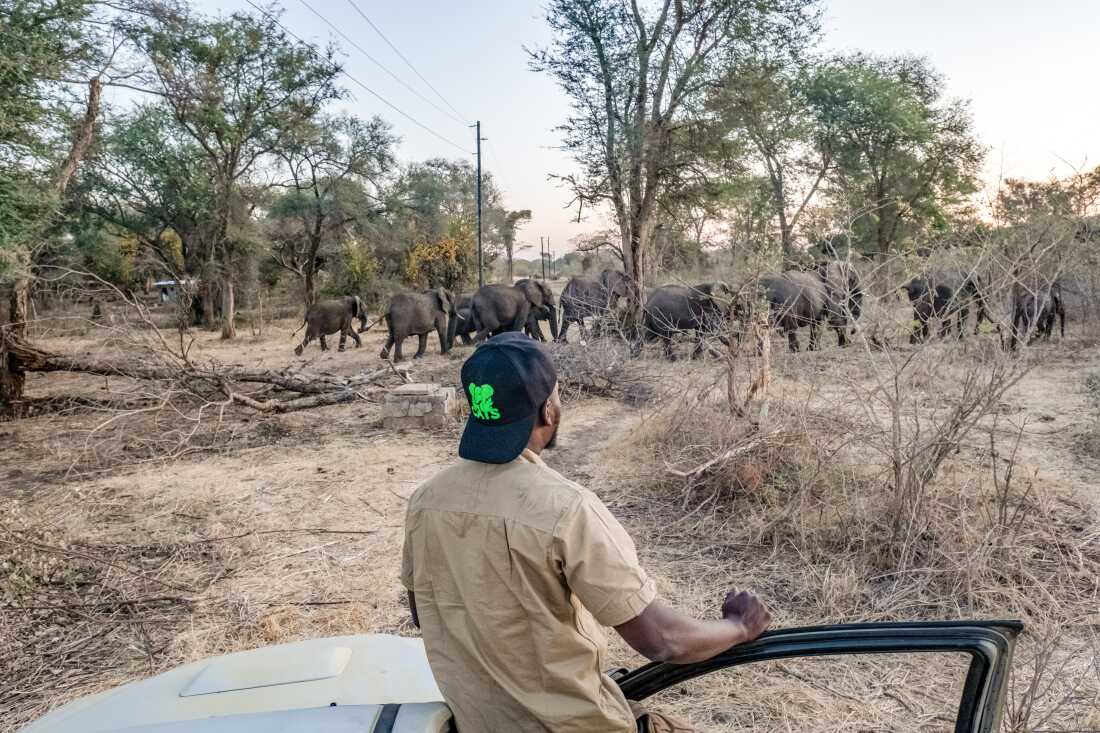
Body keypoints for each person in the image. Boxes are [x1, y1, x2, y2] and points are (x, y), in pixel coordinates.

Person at [401, 332, 771, 733]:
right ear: (548, 412)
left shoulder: (426, 500)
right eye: (557, 396)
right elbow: (664, 641)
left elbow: (423, 610)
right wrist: (740, 627)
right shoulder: (566, 509)